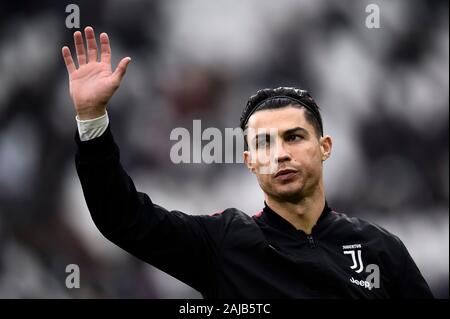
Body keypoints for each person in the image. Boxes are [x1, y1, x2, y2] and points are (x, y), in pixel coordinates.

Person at [62, 27, 433, 298]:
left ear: (325, 147)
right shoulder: (225, 243)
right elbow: (121, 217)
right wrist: (92, 118)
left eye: (294, 137)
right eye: (264, 144)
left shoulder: (381, 250)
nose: (280, 154)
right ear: (250, 162)